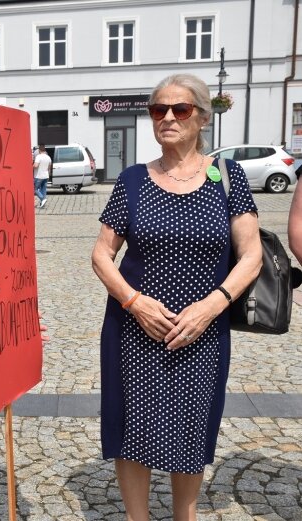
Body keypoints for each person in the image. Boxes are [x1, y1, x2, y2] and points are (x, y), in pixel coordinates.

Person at [91, 73, 261, 521]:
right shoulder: (132, 180)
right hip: (134, 328)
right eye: (157, 109)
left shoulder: (227, 177)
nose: (167, 117)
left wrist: (212, 306)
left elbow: (252, 256)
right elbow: (102, 255)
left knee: (191, 426)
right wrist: (134, 302)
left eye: (179, 109)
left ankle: (185, 516)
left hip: (201, 331)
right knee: (133, 426)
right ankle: (137, 518)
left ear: (202, 117)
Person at [33, 143, 51, 208]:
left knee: (34, 189)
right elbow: (49, 168)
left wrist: (31, 166)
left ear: (39, 150)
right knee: (43, 190)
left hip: (38, 176)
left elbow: (36, 166)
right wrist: (48, 175)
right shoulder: (48, 157)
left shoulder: (38, 157)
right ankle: (43, 204)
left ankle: (42, 199)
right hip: (46, 176)